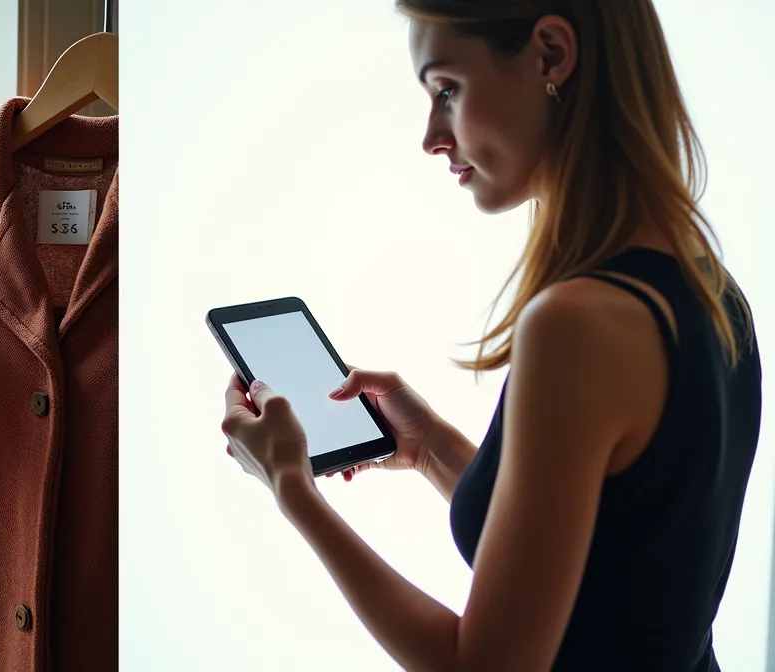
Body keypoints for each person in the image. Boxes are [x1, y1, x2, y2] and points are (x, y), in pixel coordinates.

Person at [220, 1, 760, 670]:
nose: (430, 136)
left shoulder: (575, 325)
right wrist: (430, 449)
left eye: (446, 88)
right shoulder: (710, 287)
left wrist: (292, 490)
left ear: (551, 56)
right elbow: (613, 559)